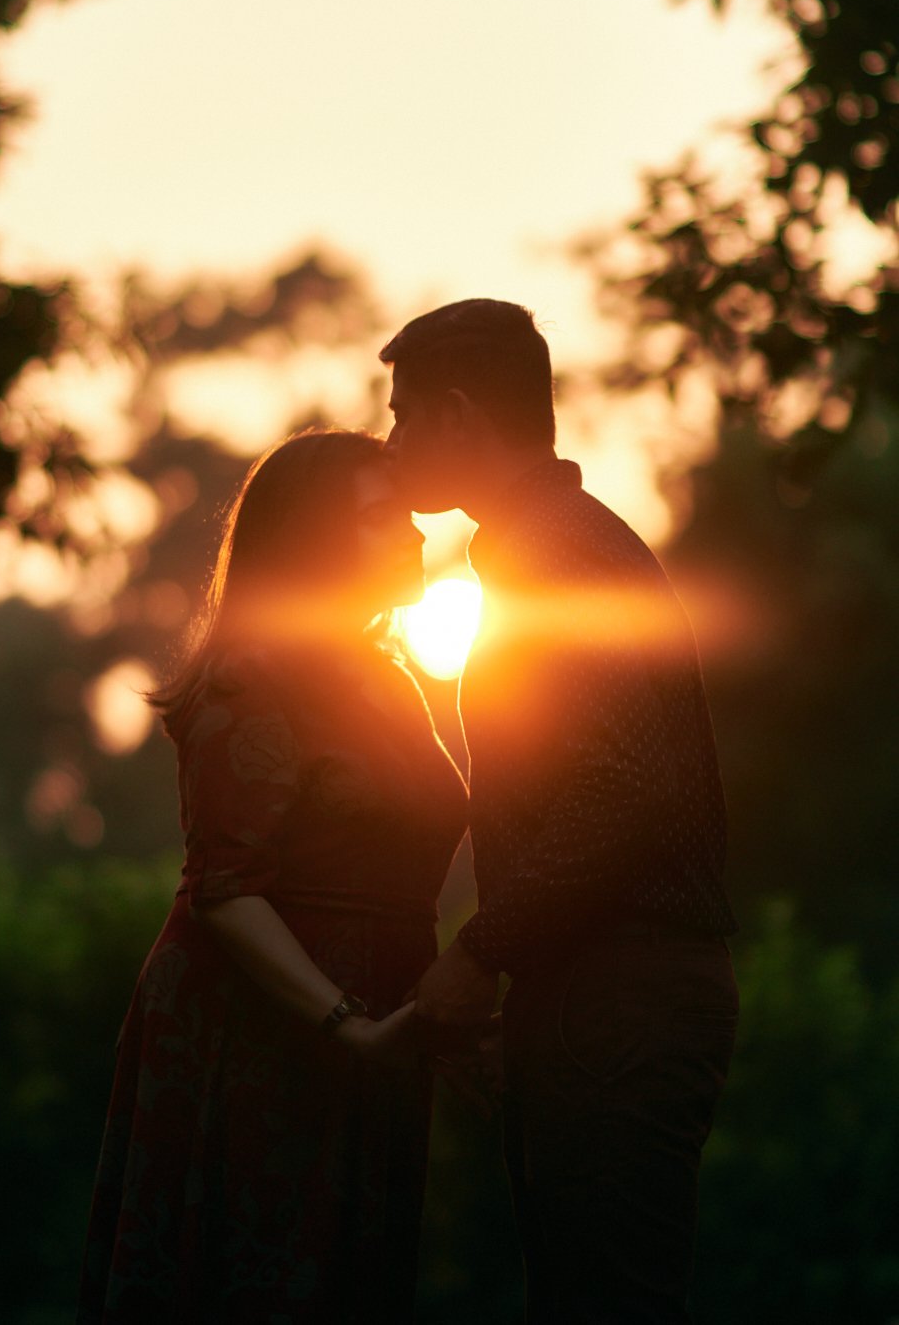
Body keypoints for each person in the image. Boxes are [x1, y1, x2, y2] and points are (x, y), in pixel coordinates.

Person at [380, 299, 739, 1324]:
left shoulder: (557, 556)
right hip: (597, 993)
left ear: (456, 417)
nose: (395, 442)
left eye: (405, 417)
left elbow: (623, 789)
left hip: (619, 993)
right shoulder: (547, 549)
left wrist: (481, 948)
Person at [76, 429, 467, 1325]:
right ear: (317, 541)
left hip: (378, 1016)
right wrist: (344, 1023)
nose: (412, 534)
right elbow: (225, 889)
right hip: (261, 1025)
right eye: (380, 517)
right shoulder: (249, 684)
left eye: (406, 514)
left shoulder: (392, 676)